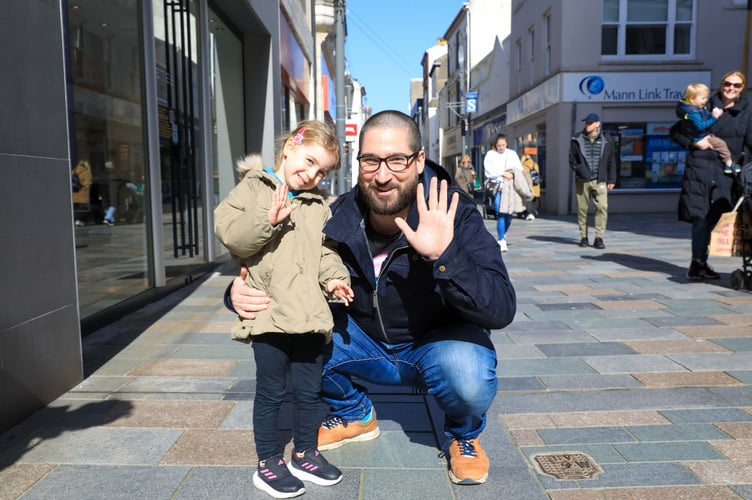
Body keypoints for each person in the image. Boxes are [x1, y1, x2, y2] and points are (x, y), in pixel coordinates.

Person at [227, 110, 516, 486]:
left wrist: (445, 256)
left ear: (418, 159)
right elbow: (278, 263)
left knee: (468, 377)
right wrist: (236, 293)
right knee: (292, 344)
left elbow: (501, 307)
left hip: (436, 342)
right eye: (370, 161)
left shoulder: (454, 212)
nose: (382, 176)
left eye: (397, 160)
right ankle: (355, 412)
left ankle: (464, 435)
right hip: (362, 342)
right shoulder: (335, 216)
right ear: (358, 161)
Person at [215, 121, 353, 498]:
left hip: (310, 316)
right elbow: (230, 235)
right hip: (270, 316)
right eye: (309, 161)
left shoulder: (317, 206)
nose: (311, 174)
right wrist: (268, 221)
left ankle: (305, 453)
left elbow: (327, 252)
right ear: (291, 147)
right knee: (272, 391)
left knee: (309, 391)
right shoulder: (253, 187)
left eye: (322, 171)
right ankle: (268, 462)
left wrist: (335, 280)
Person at [670, 70, 752, 281]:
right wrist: (693, 143)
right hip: (701, 169)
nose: (731, 88)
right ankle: (697, 262)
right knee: (701, 218)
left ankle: (703, 262)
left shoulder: (747, 110)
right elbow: (676, 131)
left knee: (718, 218)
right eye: (727, 84)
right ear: (721, 84)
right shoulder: (703, 104)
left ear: (742, 88)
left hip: (729, 172)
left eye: (736, 85)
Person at [568, 113, 617, 249]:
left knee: (602, 207)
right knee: (582, 209)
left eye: (590, 123)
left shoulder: (607, 139)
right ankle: (584, 237)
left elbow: (611, 160)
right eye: (586, 123)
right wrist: (579, 169)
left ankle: (599, 238)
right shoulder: (577, 139)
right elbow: (571, 159)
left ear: (597, 124)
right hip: (582, 180)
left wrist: (612, 179)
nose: (587, 125)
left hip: (600, 180)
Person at [676, 83, 740, 175]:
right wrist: (714, 117)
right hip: (700, 138)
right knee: (721, 144)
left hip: (699, 137)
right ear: (692, 99)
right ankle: (729, 163)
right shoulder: (693, 112)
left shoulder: (693, 108)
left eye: (706, 97)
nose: (705, 100)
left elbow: (704, 115)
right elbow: (701, 126)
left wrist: (712, 114)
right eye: (703, 98)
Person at [483, 134, 524, 251]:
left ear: (506, 144)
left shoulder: (511, 154)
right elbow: (489, 172)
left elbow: (518, 169)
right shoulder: (490, 155)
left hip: (509, 187)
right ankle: (501, 240)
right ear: (495, 145)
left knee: (509, 215)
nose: (501, 147)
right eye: (499, 145)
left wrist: (511, 175)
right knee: (500, 212)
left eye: (503, 145)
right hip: (497, 187)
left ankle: (503, 233)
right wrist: (502, 174)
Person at [520, 153, 541, 220]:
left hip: (528, 185)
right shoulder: (535, 164)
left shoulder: (523, 165)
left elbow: (520, 174)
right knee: (534, 200)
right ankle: (533, 212)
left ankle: (528, 213)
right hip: (535, 185)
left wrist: (521, 161)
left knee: (527, 200)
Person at [72, 160, 93, 226]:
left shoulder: (74, 171)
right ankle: (80, 221)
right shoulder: (86, 172)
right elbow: (88, 184)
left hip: (74, 194)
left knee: (75, 209)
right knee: (82, 210)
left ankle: (75, 221)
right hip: (82, 195)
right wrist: (83, 188)